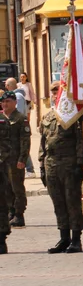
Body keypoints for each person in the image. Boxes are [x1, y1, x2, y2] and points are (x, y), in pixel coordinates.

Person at [40, 82, 83, 253]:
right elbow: (43, 143)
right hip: (51, 163)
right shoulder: (47, 116)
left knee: (72, 201)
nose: (55, 94)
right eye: (52, 92)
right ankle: (63, 237)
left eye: (58, 91)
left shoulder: (72, 115)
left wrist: (79, 163)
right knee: (58, 202)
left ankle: (76, 239)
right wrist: (42, 165)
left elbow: (80, 140)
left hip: (69, 163)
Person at [1, 90, 30, 229]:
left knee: (17, 187)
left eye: (8, 101)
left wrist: (22, 159)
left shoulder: (20, 118)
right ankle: (10, 211)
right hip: (3, 160)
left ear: (15, 102)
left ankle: (19, 214)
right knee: (5, 188)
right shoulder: (1, 117)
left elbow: (25, 141)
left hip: (15, 159)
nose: (5, 104)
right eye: (3, 102)